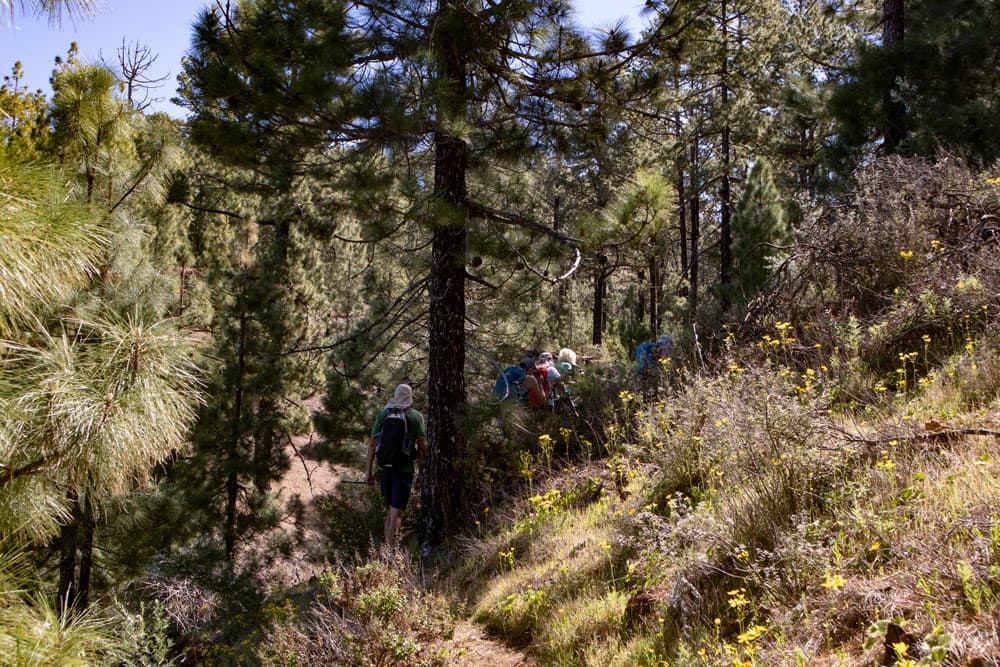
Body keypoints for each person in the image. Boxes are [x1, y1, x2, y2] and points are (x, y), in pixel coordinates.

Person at [366, 384, 426, 548]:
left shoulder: (384, 414)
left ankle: (386, 552)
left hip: (384, 470)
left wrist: (368, 472)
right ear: (410, 397)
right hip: (403, 470)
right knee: (397, 513)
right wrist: (421, 473)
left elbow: (372, 445)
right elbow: (421, 447)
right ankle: (391, 554)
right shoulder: (416, 416)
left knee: (391, 511)